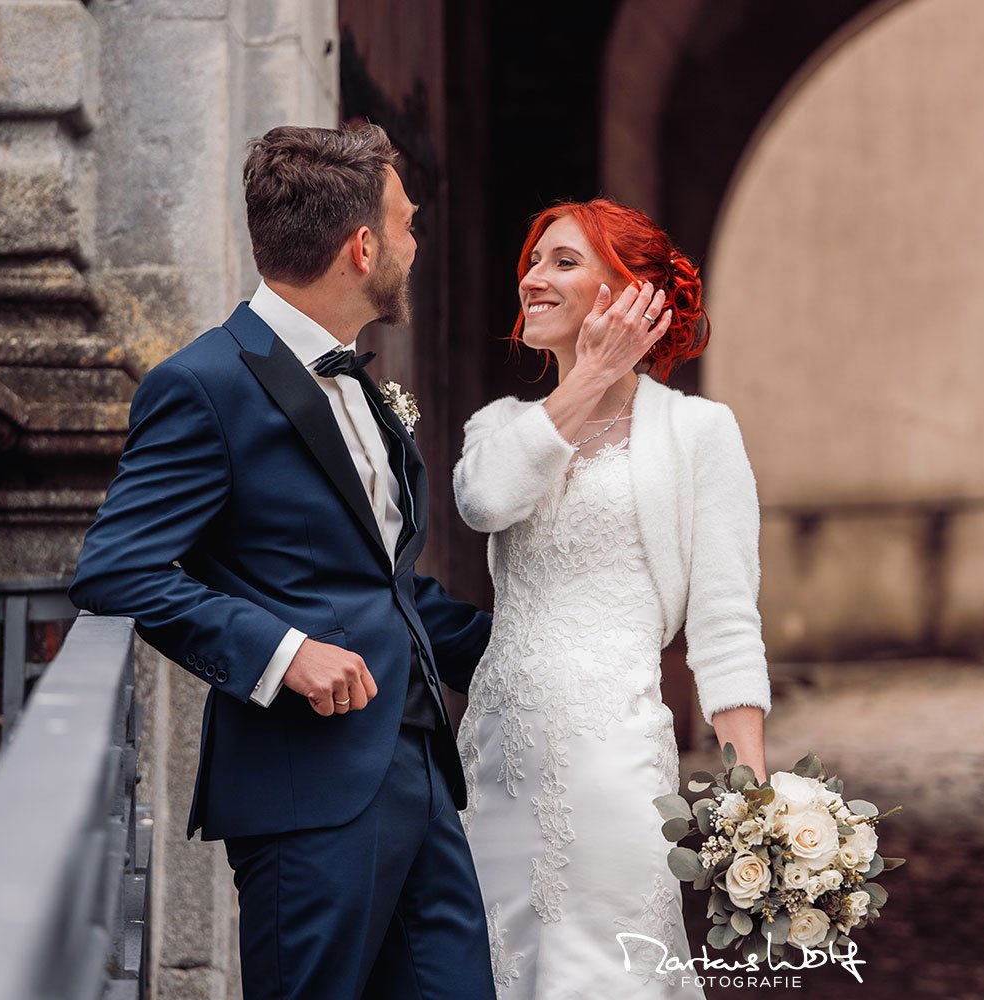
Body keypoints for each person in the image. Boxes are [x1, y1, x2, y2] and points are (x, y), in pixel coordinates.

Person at [69, 124, 497, 999]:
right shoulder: (205, 384)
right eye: (408, 226)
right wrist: (281, 652)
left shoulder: (360, 386)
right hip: (308, 795)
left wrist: (531, 651)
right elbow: (116, 569)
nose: (417, 247)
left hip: (419, 771)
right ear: (363, 244)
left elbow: (382, 586)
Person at [453, 198, 772, 997]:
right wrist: (591, 374)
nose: (533, 278)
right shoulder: (498, 427)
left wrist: (754, 809)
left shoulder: (700, 434)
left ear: (631, 296)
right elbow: (485, 503)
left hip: (613, 761)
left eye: (564, 262)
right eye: (532, 261)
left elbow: (726, 626)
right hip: (494, 762)